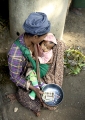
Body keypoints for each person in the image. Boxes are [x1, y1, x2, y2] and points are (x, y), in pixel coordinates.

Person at [8, 12, 65, 117]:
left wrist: (45, 54)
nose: (45, 38)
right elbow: (15, 77)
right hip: (28, 75)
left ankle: (43, 83)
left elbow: (49, 43)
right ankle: (34, 103)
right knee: (26, 96)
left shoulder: (35, 40)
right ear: (35, 36)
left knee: (59, 44)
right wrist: (34, 88)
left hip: (38, 66)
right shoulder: (15, 55)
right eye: (44, 36)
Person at [25, 33, 57, 100]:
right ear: (42, 41)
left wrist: (35, 58)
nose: (45, 48)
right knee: (34, 76)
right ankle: (42, 85)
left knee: (30, 74)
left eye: (47, 48)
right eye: (44, 45)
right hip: (40, 64)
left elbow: (43, 60)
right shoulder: (38, 44)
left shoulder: (49, 53)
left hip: (43, 67)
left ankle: (35, 89)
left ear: (50, 49)